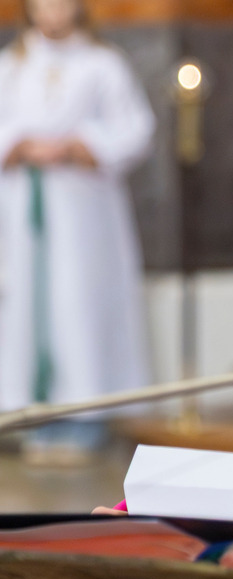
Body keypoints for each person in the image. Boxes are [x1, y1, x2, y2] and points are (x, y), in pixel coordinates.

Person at [0, 0, 155, 461]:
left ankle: (86, 410)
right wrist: (21, 144)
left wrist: (79, 145)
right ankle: (26, 410)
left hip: (83, 210)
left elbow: (135, 130)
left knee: (79, 300)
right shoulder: (11, 65)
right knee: (24, 299)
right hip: (21, 205)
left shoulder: (102, 64)